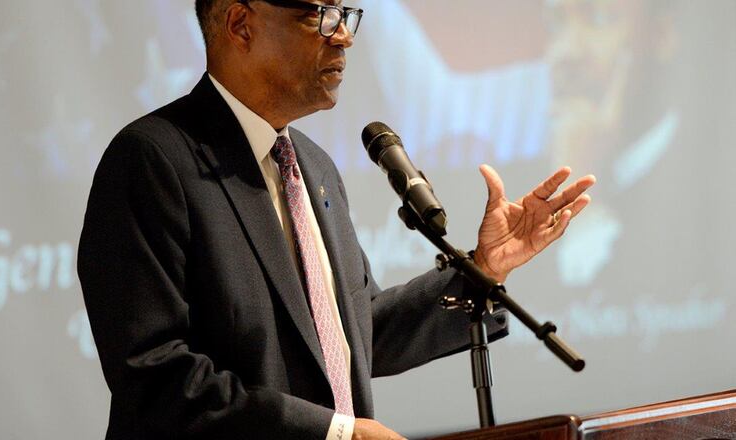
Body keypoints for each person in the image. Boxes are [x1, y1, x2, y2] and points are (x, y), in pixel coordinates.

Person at [77, 1, 595, 439]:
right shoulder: (153, 159)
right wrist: (332, 433)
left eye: (344, 13)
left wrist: (483, 268)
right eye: (320, 15)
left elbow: (351, 336)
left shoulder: (313, 165)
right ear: (240, 24)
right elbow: (153, 375)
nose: (343, 35)